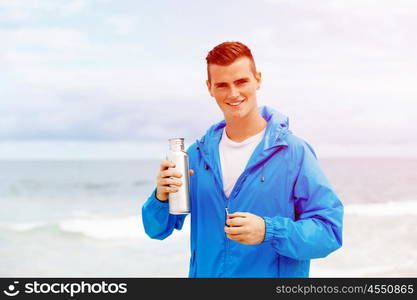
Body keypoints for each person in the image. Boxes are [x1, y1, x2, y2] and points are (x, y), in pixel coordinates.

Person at [142, 41, 343, 278]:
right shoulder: (196, 156)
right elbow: (156, 230)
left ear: (258, 79)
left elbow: (329, 232)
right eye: (222, 85)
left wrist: (269, 231)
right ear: (209, 88)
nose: (233, 94)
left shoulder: (293, 153)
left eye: (241, 82)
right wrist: (161, 197)